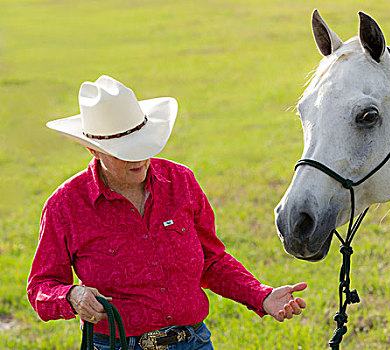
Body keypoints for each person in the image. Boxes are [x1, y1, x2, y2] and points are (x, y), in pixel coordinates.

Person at [27, 75, 307, 350]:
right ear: (93, 149)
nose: (138, 158)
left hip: (193, 342)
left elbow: (212, 260)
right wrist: (72, 294)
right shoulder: (65, 205)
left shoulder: (181, 182)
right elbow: (41, 286)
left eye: (142, 145)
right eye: (122, 152)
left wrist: (261, 295)